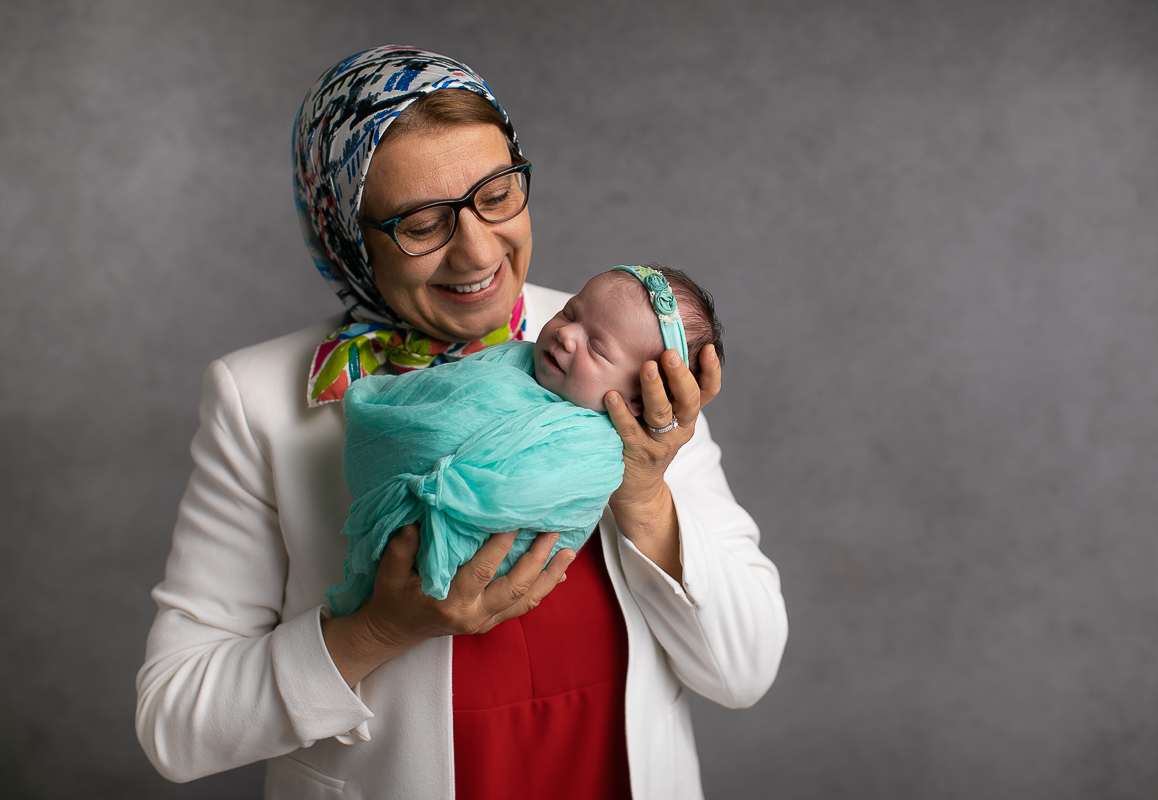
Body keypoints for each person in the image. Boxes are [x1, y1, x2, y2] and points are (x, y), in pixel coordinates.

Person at [135, 45, 788, 800]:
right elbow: (174, 724)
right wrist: (375, 630)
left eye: (496, 194)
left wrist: (644, 493)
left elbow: (744, 670)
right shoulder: (256, 400)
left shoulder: (631, 360)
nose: (477, 252)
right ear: (346, 233)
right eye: (420, 222)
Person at [328, 264, 723, 610]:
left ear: (640, 398)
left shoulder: (600, 449)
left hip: (451, 529)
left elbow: (508, 495)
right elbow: (443, 393)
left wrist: (444, 491)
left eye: (597, 349)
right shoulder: (517, 354)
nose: (567, 334)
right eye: (570, 312)